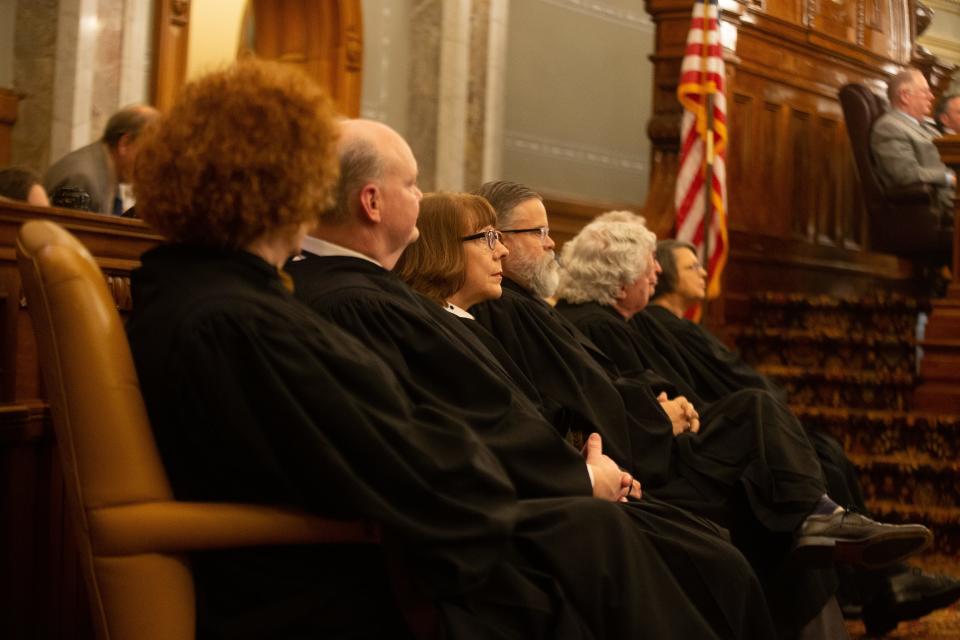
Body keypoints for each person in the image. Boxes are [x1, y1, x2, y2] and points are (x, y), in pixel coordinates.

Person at [288, 120, 781, 639]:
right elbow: (457, 425)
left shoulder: (369, 294)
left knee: (710, 547)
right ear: (371, 201)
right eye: (411, 184)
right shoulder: (359, 303)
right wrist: (585, 476)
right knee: (700, 555)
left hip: (522, 490)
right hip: (481, 528)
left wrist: (590, 465)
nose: (419, 194)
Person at [650, 238, 960, 635]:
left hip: (731, 420)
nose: (705, 272)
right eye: (692, 267)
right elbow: (723, 383)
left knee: (825, 450)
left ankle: (881, 585)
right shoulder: (660, 326)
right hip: (713, 436)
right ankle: (878, 587)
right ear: (666, 276)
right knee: (815, 455)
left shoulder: (680, 327)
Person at [870, 69, 956, 218]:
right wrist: (950, 177)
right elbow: (906, 174)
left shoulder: (927, 127)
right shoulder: (889, 127)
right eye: (925, 92)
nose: (931, 97)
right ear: (905, 96)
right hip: (943, 205)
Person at [44, 104, 158, 215]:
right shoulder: (82, 178)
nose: (152, 163)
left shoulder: (108, 168)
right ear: (125, 144)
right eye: (149, 153)